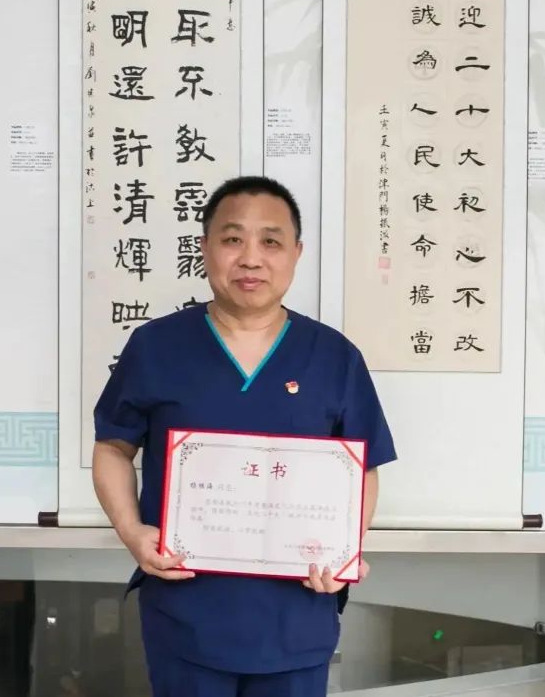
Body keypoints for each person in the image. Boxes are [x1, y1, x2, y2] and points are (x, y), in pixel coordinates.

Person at [91, 176, 397, 697]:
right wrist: (131, 531)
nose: (251, 258)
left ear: (297, 253)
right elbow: (113, 448)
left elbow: (360, 470)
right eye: (232, 239)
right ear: (205, 247)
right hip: (186, 612)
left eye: (271, 241)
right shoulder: (156, 347)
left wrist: (343, 549)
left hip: (297, 614)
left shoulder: (334, 357)